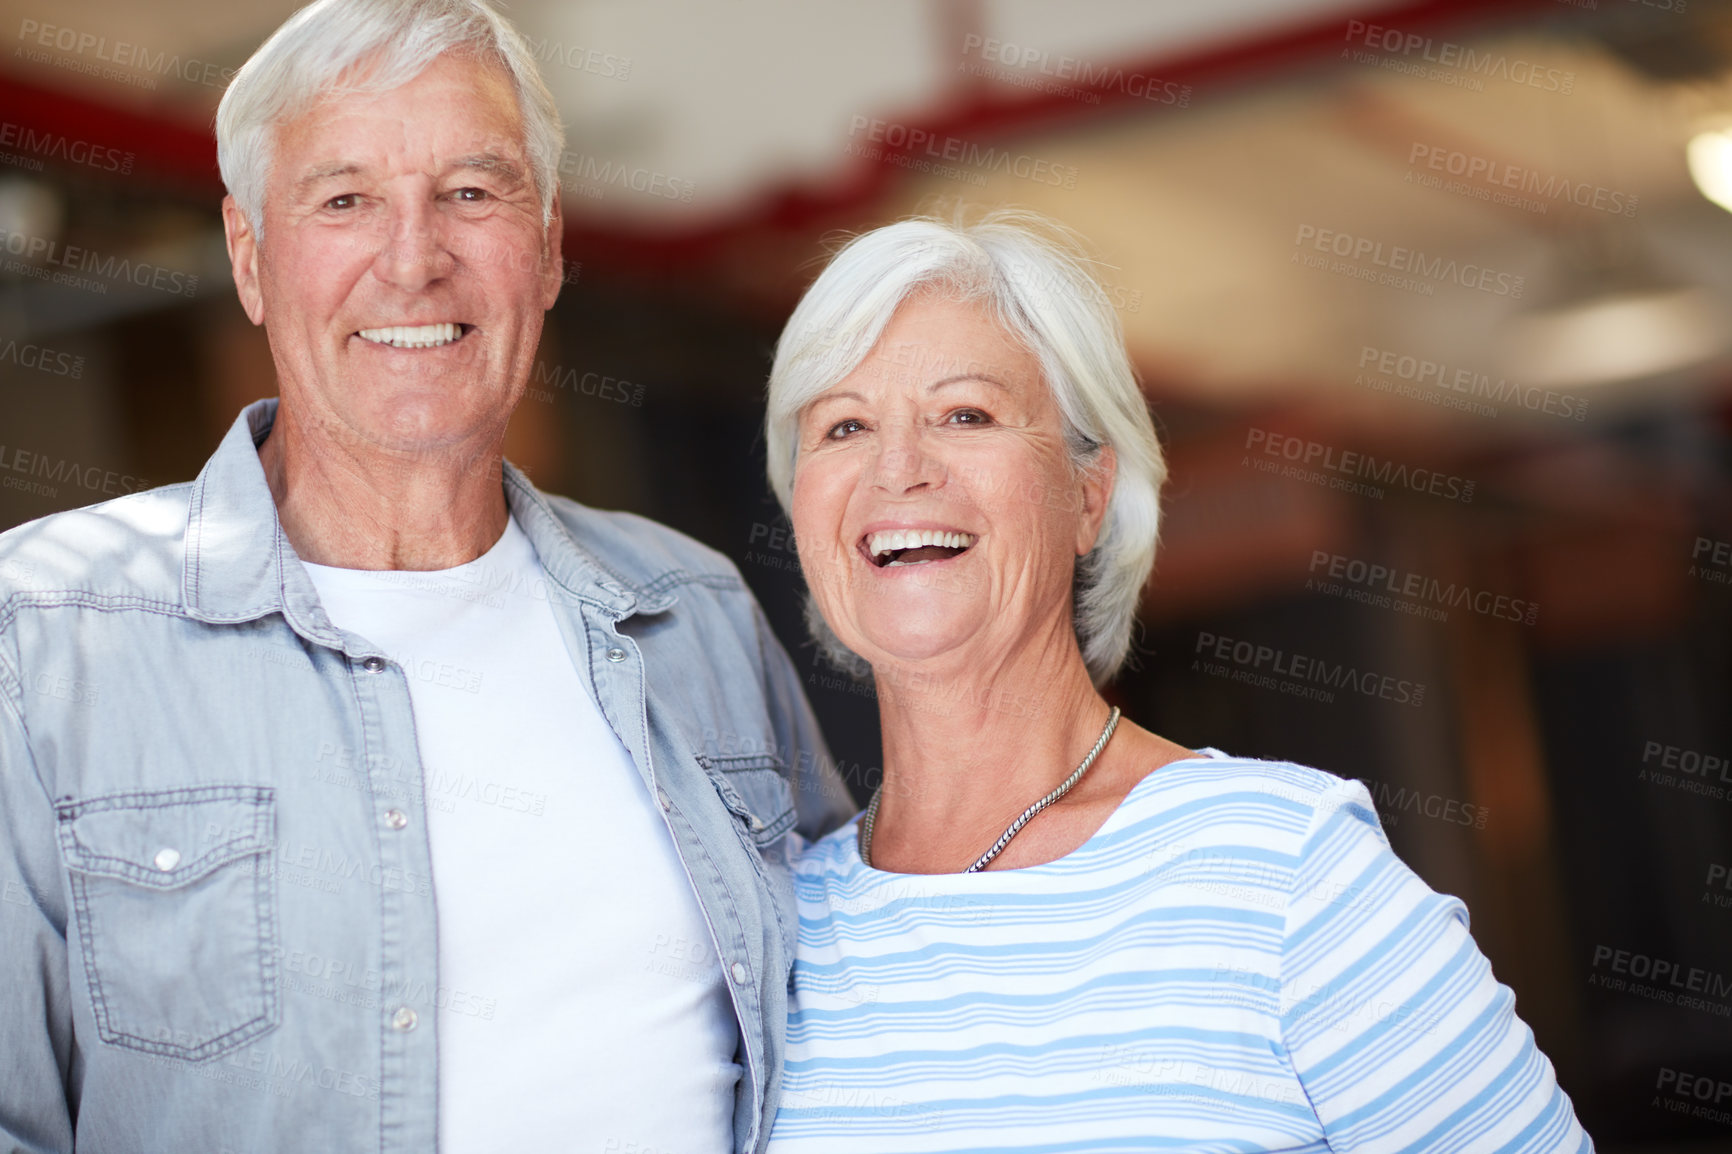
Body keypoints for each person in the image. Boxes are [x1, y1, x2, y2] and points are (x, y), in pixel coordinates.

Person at [0, 1, 851, 1151]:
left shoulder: (693, 612)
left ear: (547, 247)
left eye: (471, 192)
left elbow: (851, 1035)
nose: (413, 260)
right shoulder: (45, 637)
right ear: (251, 257)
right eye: (345, 199)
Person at [758, 211, 1593, 1152]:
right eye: (844, 426)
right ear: (804, 511)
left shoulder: (1284, 870)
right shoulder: (768, 933)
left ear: (1087, 492)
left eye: (966, 414)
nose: (897, 469)